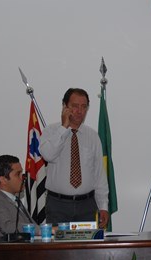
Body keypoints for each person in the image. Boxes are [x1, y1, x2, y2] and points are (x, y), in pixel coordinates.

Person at [39, 88, 109, 228]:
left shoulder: (92, 136)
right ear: (65, 106)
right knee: (59, 243)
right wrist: (64, 128)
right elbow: (48, 155)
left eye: (84, 107)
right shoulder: (50, 131)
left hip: (87, 205)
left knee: (87, 243)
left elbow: (99, 174)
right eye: (75, 106)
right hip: (58, 205)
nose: (80, 111)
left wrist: (103, 206)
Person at [0, 155, 39, 238]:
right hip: (6, 246)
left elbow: (31, 225)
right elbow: (7, 227)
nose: (23, 178)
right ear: (3, 180)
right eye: (18, 174)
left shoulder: (13, 199)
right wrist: (41, 230)